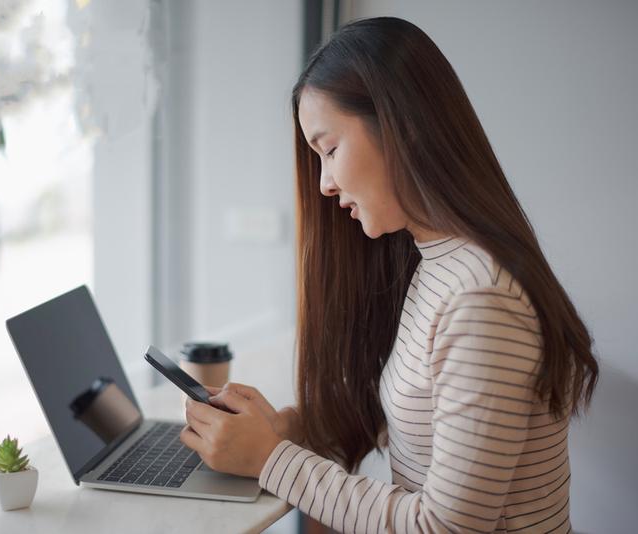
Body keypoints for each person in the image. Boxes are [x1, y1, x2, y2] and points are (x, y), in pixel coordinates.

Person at [179, 16, 598, 534]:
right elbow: (425, 418)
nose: (325, 185)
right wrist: (290, 427)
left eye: (330, 150)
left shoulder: (482, 301)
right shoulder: (441, 264)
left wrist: (270, 459)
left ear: (403, 125)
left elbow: (445, 528)